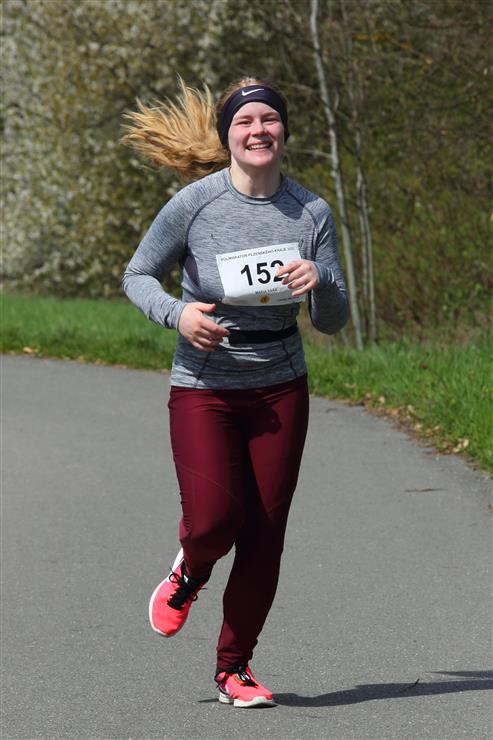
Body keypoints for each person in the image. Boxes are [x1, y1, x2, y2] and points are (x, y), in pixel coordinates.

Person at [121, 77, 349, 708]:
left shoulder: (311, 213)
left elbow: (333, 320)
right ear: (228, 136)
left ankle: (234, 668)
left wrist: (322, 279)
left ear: (284, 132)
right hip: (205, 385)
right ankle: (190, 569)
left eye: (269, 120)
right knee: (214, 522)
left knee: (265, 531)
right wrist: (178, 315)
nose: (258, 131)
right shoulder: (194, 204)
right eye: (245, 122)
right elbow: (137, 274)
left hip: (280, 386)